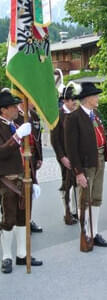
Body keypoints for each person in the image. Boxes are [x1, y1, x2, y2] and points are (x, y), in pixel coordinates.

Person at [65, 82, 107, 250]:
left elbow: (102, 136)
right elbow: (71, 148)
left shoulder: (95, 114)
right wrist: (78, 172)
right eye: (96, 96)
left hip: (99, 159)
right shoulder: (74, 118)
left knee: (96, 197)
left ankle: (94, 232)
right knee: (85, 199)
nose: (98, 98)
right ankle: (85, 234)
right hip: (85, 163)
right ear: (88, 98)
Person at [0, 91, 42, 273]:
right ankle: (7, 256)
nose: (17, 109)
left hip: (24, 180)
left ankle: (22, 254)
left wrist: (34, 180)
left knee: (23, 218)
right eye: (12, 107)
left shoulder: (17, 125)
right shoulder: (9, 129)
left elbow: (28, 156)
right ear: (3, 110)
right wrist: (16, 137)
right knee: (8, 219)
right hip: (7, 181)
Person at [50, 86, 78, 225]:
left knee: (77, 183)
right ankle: (67, 211)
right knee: (66, 184)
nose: (75, 102)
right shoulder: (58, 115)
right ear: (65, 101)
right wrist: (62, 157)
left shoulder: (77, 114)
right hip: (65, 157)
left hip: (77, 156)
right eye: (73, 99)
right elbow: (54, 140)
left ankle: (75, 210)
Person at [15, 100, 43, 233]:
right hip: (20, 158)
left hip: (33, 157)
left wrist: (40, 157)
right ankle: (19, 221)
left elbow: (38, 137)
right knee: (20, 191)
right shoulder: (16, 115)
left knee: (31, 190)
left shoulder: (34, 115)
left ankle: (28, 219)